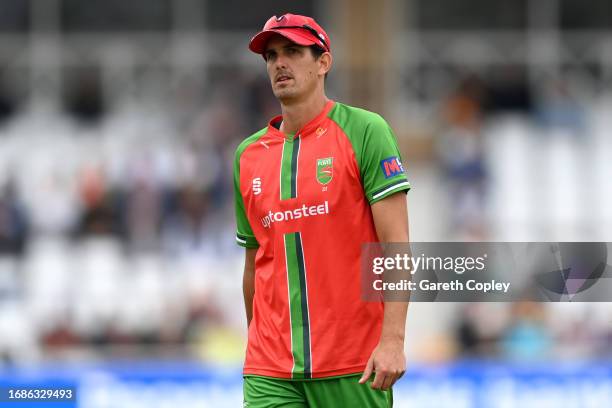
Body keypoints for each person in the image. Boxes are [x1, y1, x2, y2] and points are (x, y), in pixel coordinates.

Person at [233, 13, 411, 407]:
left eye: (293, 52)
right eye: (272, 55)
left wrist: (393, 340)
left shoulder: (365, 131)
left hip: (353, 364)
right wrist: (256, 345)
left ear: (323, 62)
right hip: (270, 370)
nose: (279, 63)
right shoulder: (247, 156)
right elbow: (253, 263)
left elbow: (395, 244)